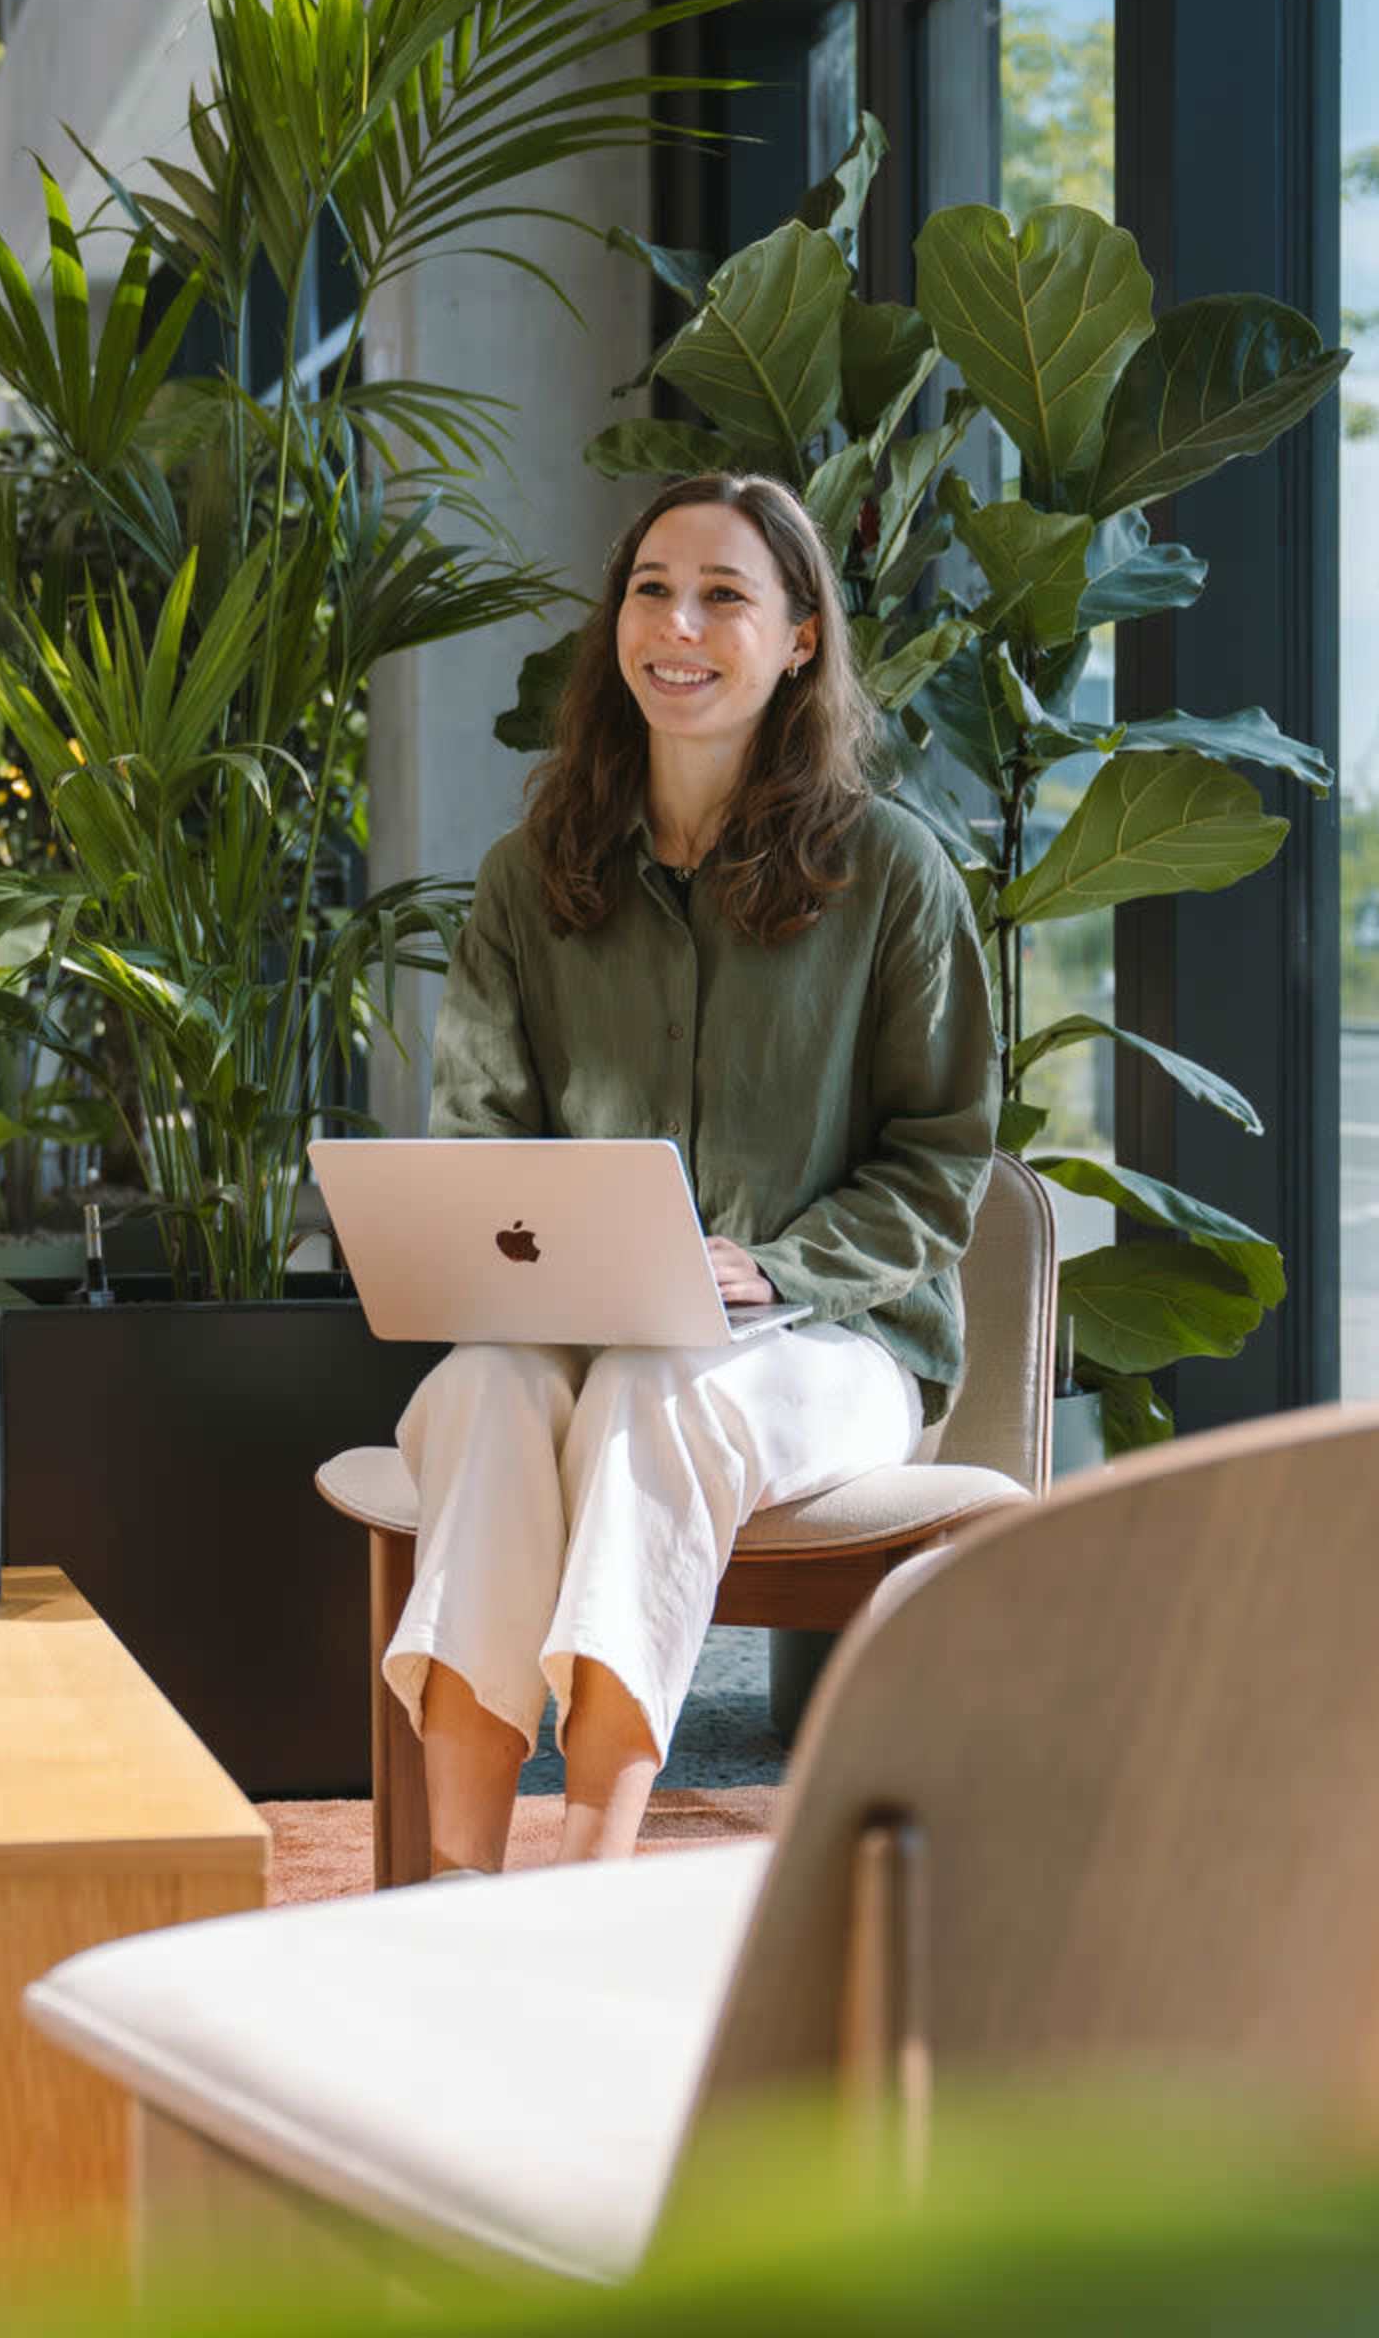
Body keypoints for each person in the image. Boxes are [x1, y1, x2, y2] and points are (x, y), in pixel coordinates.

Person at [390, 472, 997, 1874]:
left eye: (726, 595)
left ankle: (584, 1890)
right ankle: (456, 1897)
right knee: (481, 1390)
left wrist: (772, 1269)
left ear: (797, 640)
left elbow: (941, 1161)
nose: (679, 623)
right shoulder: (529, 879)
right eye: (654, 589)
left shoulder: (895, 878)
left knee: (656, 1391)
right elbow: (485, 1144)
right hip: (574, 1337)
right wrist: (552, 1263)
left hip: (829, 1348)